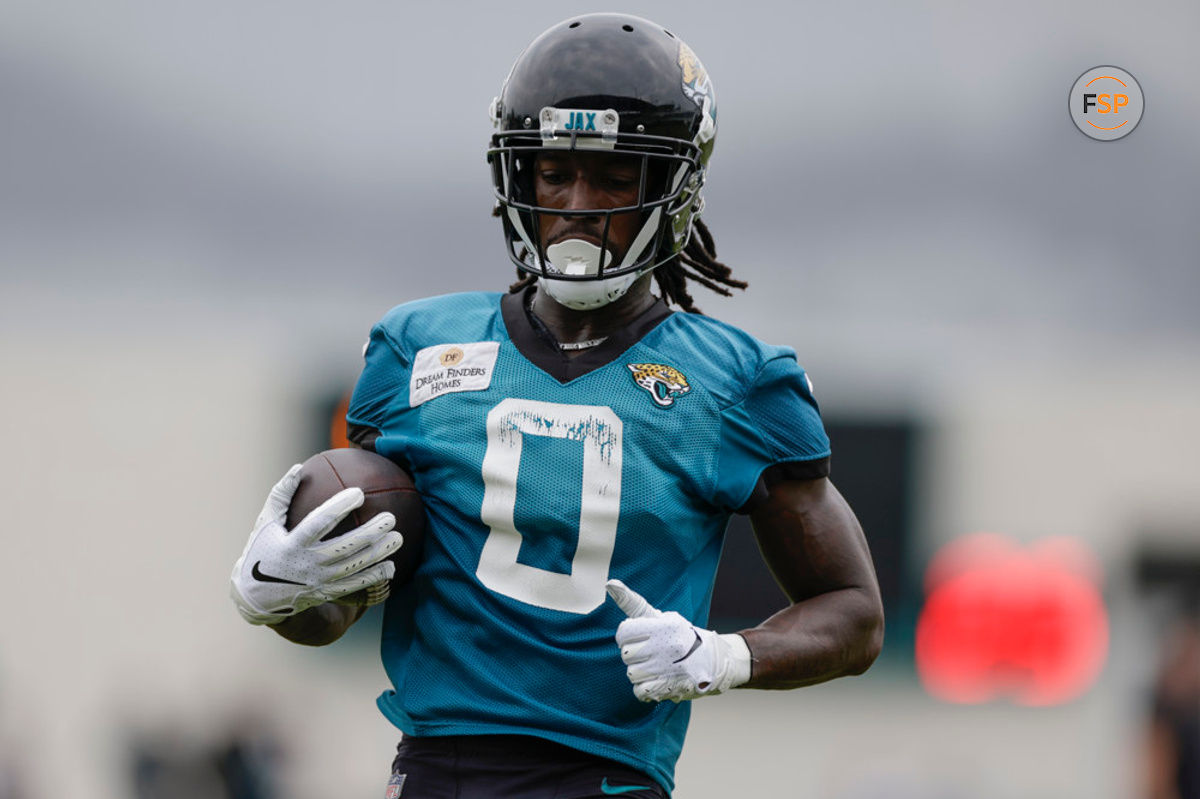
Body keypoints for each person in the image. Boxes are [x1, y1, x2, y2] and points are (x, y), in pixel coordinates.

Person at [230, 13, 884, 798]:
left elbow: (854, 613)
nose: (578, 202)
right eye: (553, 172)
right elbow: (342, 610)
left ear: (674, 190)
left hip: (605, 778)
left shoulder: (735, 379)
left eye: (613, 177)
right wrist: (279, 593)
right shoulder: (415, 347)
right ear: (518, 179)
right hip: (438, 773)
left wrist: (722, 656)